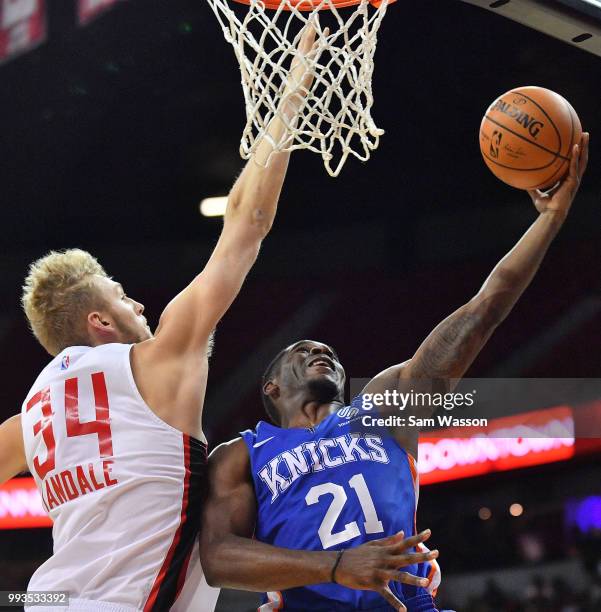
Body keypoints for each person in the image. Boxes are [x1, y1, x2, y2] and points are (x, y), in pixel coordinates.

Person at [0, 25, 328, 612]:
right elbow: (245, 226)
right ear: (99, 320)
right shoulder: (160, 357)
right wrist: (295, 87)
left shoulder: (31, 417)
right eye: (125, 299)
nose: (141, 307)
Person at [200, 134, 590, 612]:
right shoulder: (241, 453)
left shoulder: (383, 407)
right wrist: (336, 566)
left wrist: (550, 220)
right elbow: (218, 557)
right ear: (271, 385)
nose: (321, 351)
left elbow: (480, 313)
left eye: (328, 351)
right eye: (303, 349)